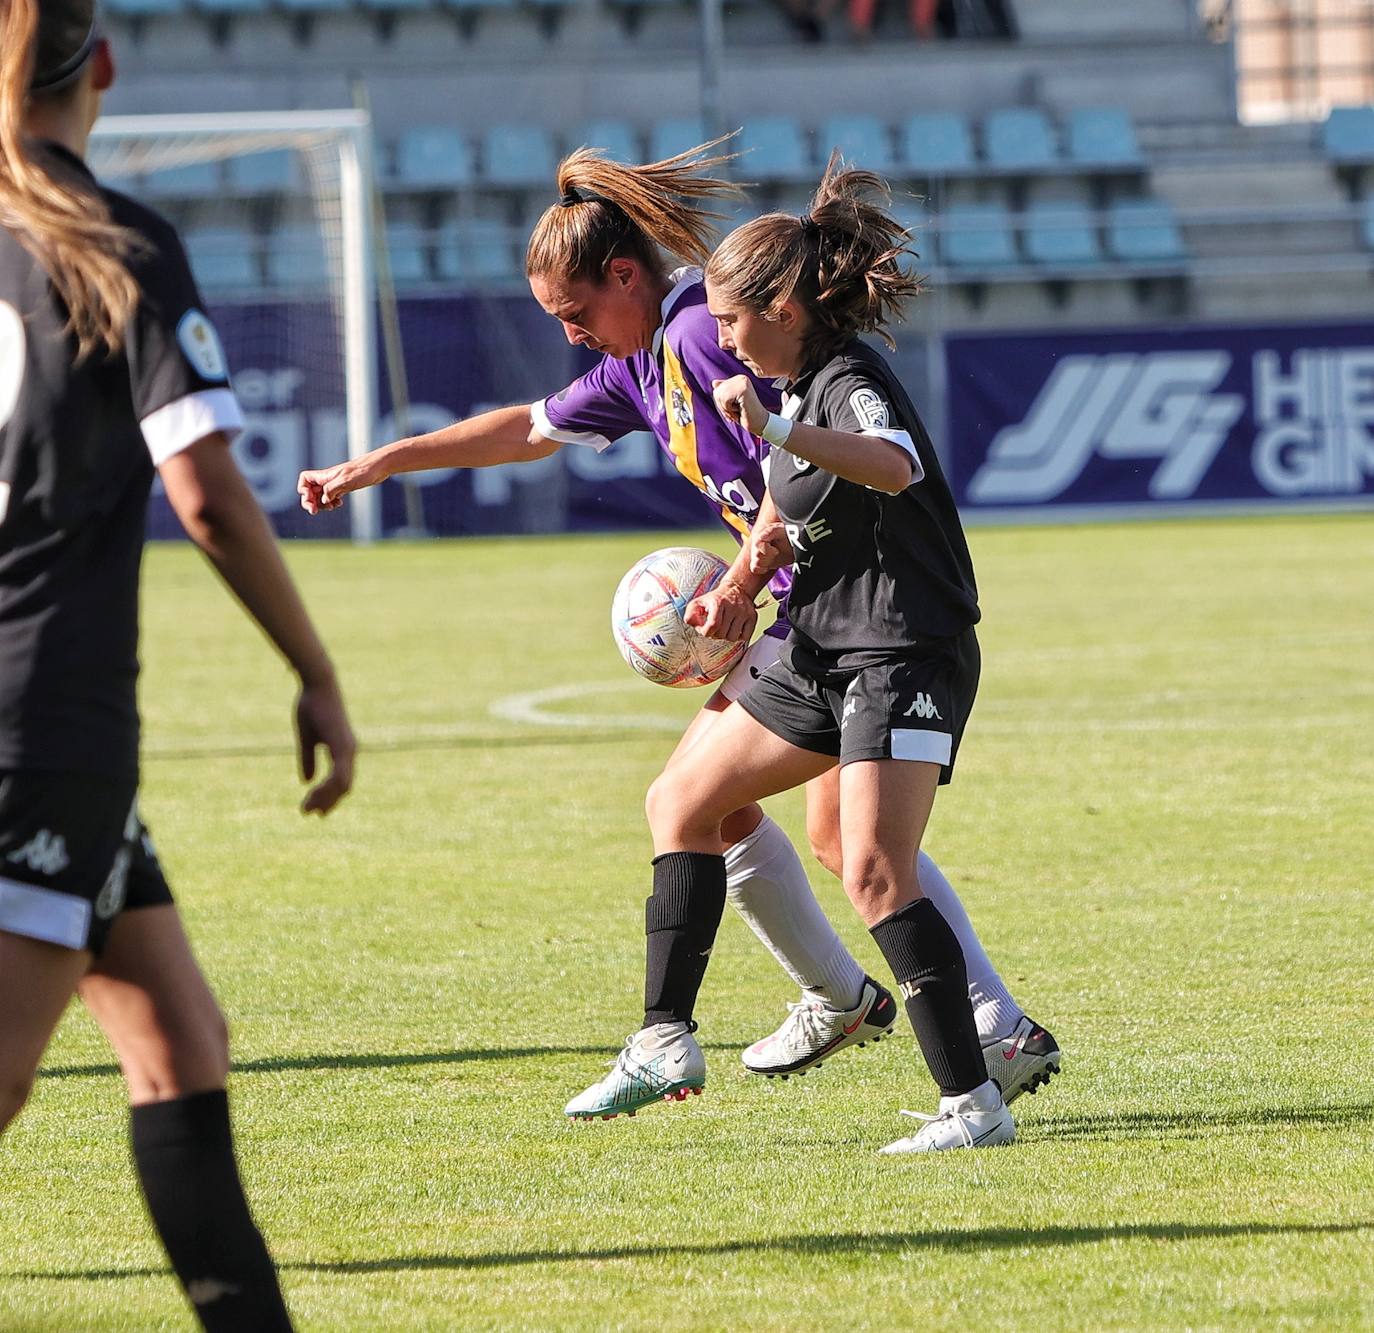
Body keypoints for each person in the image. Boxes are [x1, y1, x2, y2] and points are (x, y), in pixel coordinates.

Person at [296, 142, 1058, 1120]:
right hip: (815, 612)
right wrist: (381, 463)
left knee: (766, 822)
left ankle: (886, 1016)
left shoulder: (706, 331)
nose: (571, 337)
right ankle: (917, 1015)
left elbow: (807, 470)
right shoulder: (640, 364)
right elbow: (526, 427)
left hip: (852, 609)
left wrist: (743, 577)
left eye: (574, 313)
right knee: (788, 825)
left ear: (624, 278)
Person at [0, 3, 356, 1328]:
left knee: (176, 1043)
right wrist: (312, 669)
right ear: (102, 67)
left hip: (60, 747)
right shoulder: (110, 245)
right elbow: (204, 492)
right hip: (41, 720)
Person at [563, 154, 1024, 1153]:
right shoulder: (783, 385)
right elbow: (784, 498)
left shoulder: (843, 381)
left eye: (730, 321)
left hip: (903, 648)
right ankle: (664, 1040)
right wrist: (739, 577)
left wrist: (779, 424)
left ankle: (975, 1102)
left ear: (782, 304)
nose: (718, 339)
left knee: (871, 869)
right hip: (819, 643)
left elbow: (893, 462)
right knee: (680, 802)